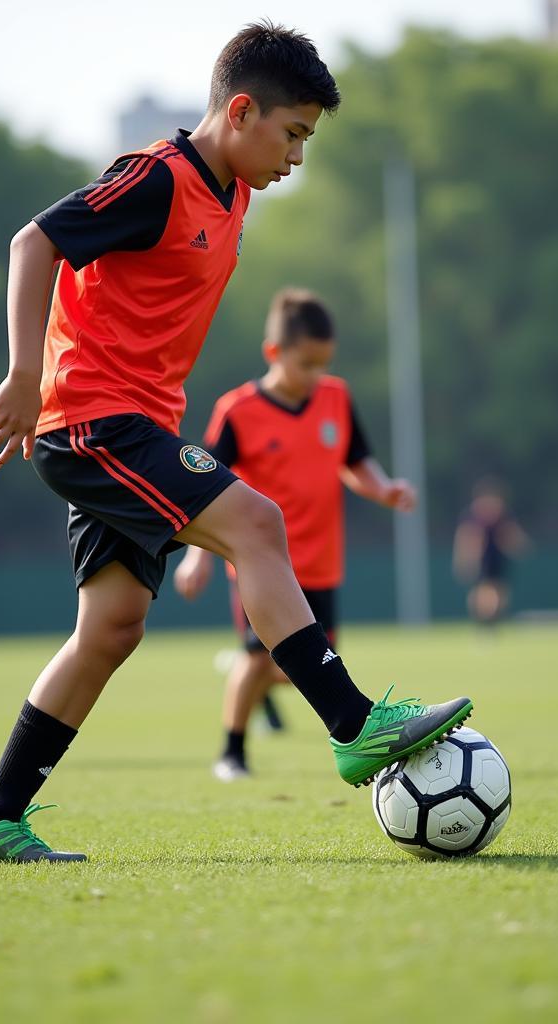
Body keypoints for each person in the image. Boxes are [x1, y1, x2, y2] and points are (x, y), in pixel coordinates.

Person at [0, 22, 473, 864]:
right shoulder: (156, 178)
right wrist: (19, 375)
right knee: (257, 523)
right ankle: (352, 722)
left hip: (134, 425)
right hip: (91, 421)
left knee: (111, 629)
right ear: (239, 111)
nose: (298, 156)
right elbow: (34, 240)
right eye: (293, 133)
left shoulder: (234, 194)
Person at [173, 288, 417, 781]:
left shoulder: (336, 397)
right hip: (262, 565)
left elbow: (356, 461)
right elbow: (203, 488)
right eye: (306, 364)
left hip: (324, 560)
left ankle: (257, 687)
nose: (315, 377)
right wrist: (196, 557)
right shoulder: (237, 410)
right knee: (258, 658)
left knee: (304, 668)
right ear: (273, 353)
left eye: (323, 365)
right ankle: (232, 753)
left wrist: (384, 488)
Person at [452, 476, 529, 628]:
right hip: (483, 559)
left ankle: (490, 622)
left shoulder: (503, 514)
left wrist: (520, 546)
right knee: (485, 592)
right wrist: (465, 559)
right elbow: (466, 537)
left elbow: (510, 534)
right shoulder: (474, 515)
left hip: (498, 559)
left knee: (500, 594)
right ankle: (485, 623)